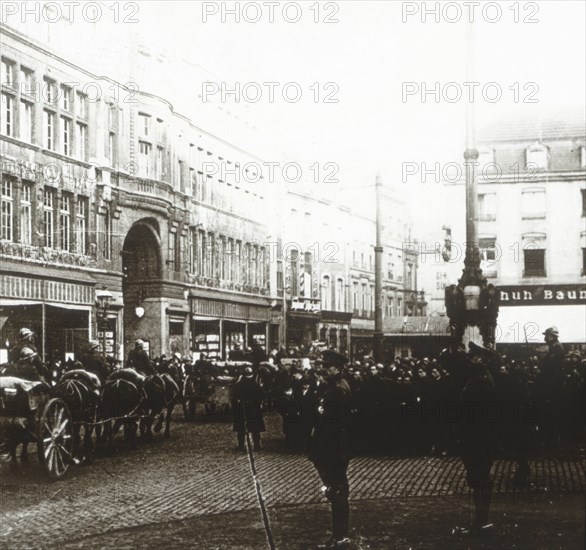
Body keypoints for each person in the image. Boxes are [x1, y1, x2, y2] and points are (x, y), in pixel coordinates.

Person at [453, 342, 498, 537]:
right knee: (479, 478)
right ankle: (481, 522)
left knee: (480, 478)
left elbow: (475, 412)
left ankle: (482, 522)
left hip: (478, 437)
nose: (470, 358)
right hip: (478, 436)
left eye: (474, 355)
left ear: (482, 359)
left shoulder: (481, 380)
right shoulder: (479, 378)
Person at [307, 359, 352, 550]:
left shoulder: (338, 391)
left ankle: (340, 537)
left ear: (339, 369)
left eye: (329, 367)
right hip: (330, 448)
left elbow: (331, 422)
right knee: (336, 490)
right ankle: (338, 536)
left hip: (333, 449)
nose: (325, 370)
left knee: (337, 490)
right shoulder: (332, 388)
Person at [232, 366, 265, 451]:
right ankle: (257, 445)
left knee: (241, 428)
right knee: (255, 428)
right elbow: (261, 395)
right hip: (254, 408)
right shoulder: (255, 385)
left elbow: (234, 396)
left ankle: (241, 445)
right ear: (252, 374)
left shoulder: (239, 384)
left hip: (242, 407)